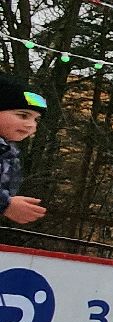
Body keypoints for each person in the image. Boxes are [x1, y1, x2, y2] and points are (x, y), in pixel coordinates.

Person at [0, 80, 48, 225]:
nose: (31, 125)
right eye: (23, 115)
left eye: (36, 120)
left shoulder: (8, 152)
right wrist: (5, 204)